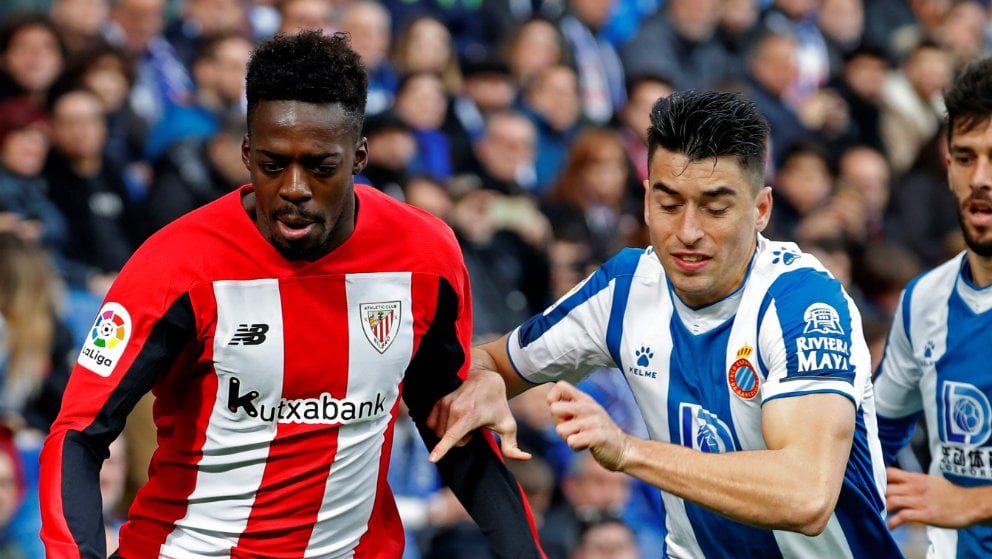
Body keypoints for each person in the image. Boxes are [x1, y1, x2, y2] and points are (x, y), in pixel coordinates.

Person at [39, 30, 544, 559]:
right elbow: (78, 434)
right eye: (272, 164)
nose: (294, 188)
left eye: (321, 166)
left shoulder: (425, 255)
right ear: (246, 152)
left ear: (359, 156)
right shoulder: (175, 265)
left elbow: (451, 422)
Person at [428, 89, 905, 557]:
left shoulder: (803, 304)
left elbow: (806, 495)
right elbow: (492, 360)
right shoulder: (626, 287)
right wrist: (487, 379)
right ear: (645, 200)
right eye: (669, 203)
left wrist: (627, 450)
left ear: (761, 210)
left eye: (716, 207)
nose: (688, 232)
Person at [873, 55, 992, 558]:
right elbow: (875, 431)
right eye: (966, 158)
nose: (981, 178)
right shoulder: (924, 299)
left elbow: (959, 501)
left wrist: (975, 502)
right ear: (947, 167)